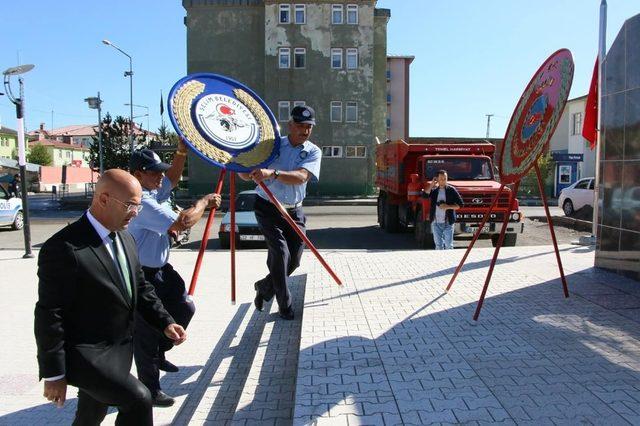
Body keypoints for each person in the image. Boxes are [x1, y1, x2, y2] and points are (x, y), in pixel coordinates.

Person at [34, 169, 187, 425]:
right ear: (103, 199)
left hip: (119, 349)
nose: (135, 213)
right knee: (138, 399)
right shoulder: (63, 248)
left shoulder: (125, 239)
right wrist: (53, 373)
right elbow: (50, 314)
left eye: (138, 206)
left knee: (91, 413)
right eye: (130, 205)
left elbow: (140, 288)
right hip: (86, 354)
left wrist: (165, 322)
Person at [127, 143, 221, 407]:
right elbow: (183, 222)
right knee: (145, 333)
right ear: (137, 174)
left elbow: (171, 178)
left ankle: (161, 348)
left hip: (161, 270)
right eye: (153, 172)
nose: (160, 176)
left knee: (185, 307)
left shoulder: (154, 191)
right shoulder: (142, 201)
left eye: (159, 171)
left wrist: (181, 152)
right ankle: (150, 390)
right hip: (142, 274)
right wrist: (203, 202)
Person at [239, 105, 321, 320]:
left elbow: (302, 177)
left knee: (294, 260)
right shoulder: (272, 147)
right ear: (290, 125)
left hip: (294, 211)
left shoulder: (313, 151)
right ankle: (285, 305)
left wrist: (272, 173)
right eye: (301, 126)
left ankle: (265, 286)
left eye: (309, 127)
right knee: (280, 253)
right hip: (268, 207)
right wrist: (246, 171)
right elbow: (248, 174)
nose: (305, 131)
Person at [422, 169, 463, 250]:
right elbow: (424, 196)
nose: (443, 181)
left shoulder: (451, 190)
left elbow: (460, 205)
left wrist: (447, 207)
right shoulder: (434, 191)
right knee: (438, 246)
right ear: (437, 179)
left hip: (448, 221)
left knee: (449, 246)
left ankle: (449, 262)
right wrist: (431, 184)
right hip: (436, 222)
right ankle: (439, 262)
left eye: (445, 179)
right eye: (441, 179)